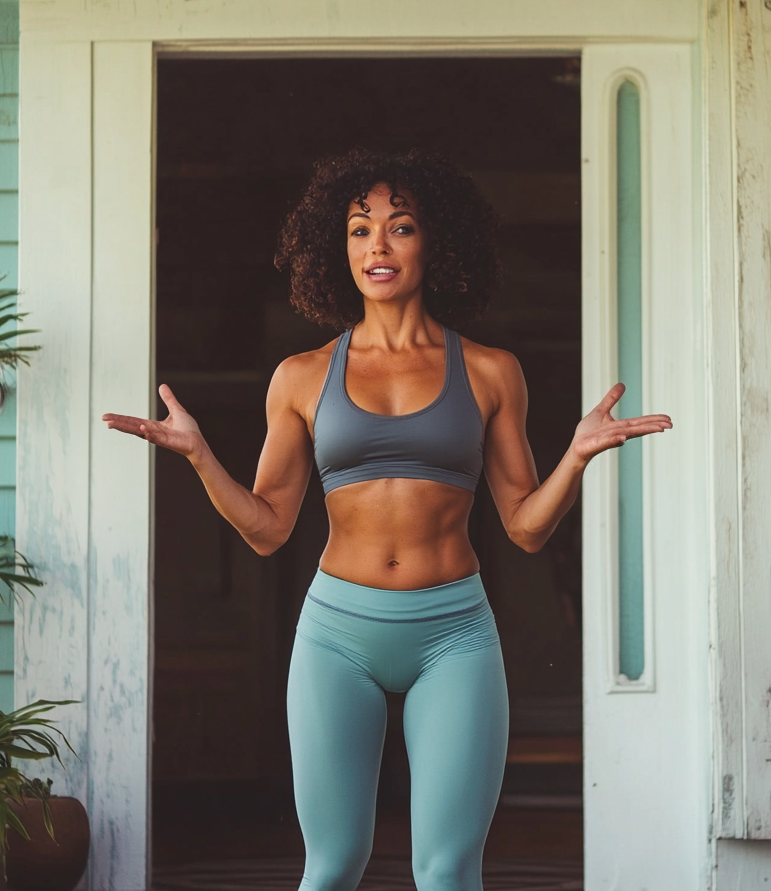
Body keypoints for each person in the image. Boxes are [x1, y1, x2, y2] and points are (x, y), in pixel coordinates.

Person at [102, 149, 671, 891]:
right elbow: (270, 527)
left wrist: (576, 456)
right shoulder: (301, 376)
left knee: (447, 872)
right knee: (334, 866)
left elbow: (526, 527)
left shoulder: (492, 371)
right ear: (335, 250)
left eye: (400, 227)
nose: (377, 245)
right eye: (359, 229)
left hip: (454, 632)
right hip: (338, 631)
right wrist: (201, 455)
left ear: (435, 243)